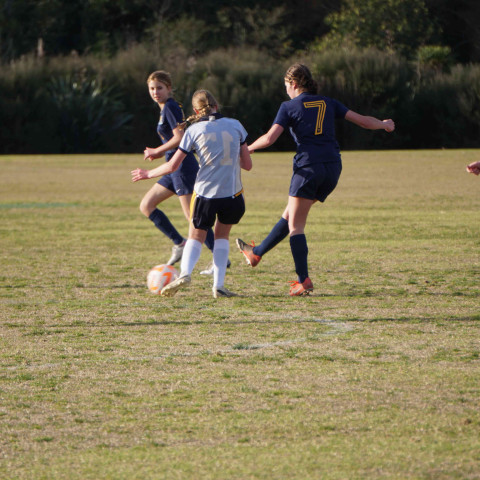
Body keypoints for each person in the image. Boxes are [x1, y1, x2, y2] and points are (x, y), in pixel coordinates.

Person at [236, 63, 395, 296]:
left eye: (286, 86)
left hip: (308, 168)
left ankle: (303, 280)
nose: (286, 91)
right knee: (291, 214)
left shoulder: (289, 106)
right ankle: (256, 252)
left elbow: (270, 138)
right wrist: (383, 124)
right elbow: (362, 120)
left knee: (296, 226)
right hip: (332, 168)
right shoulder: (328, 102)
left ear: (294, 84)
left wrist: (247, 149)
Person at [132, 90, 252, 298]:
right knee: (222, 237)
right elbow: (248, 165)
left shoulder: (194, 130)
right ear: (217, 105)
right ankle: (219, 286)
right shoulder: (236, 125)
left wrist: (147, 173)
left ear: (196, 111)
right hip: (233, 194)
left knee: (196, 236)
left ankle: (185, 274)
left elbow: (172, 165)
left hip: (205, 194)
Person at [138, 70, 220, 272]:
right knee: (147, 205)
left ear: (169, 88)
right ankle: (180, 244)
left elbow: (179, 138)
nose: (155, 92)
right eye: (152, 88)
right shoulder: (166, 108)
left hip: (182, 167)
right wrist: (161, 153)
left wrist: (157, 150)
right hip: (171, 168)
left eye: (159, 88)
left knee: (194, 218)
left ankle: (220, 258)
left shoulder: (170, 107)